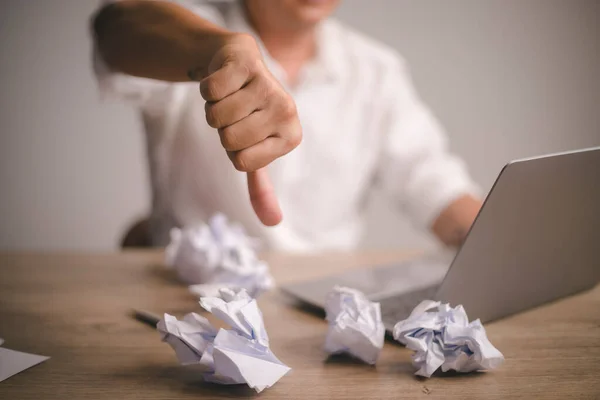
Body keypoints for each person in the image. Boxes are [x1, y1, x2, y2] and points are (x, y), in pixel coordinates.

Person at [91, 0, 482, 252]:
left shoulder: (376, 71)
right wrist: (216, 51)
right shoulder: (190, 33)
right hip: (192, 301)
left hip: (325, 308)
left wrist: (497, 245)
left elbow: (434, 183)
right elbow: (118, 23)